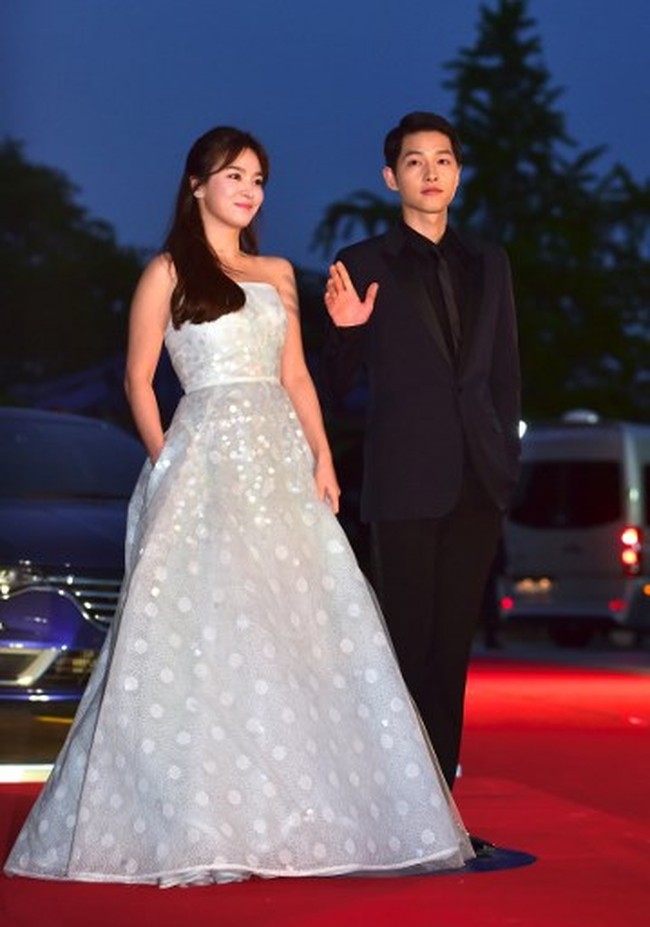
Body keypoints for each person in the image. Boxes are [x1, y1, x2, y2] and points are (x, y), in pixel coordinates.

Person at [4, 126, 473, 886]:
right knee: (207, 631)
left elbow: (295, 377)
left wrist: (321, 453)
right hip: (205, 454)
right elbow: (137, 376)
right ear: (197, 185)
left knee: (299, 622)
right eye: (233, 175)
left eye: (258, 177)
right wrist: (165, 460)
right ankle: (197, 815)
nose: (249, 189)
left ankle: (303, 813)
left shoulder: (277, 270)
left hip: (279, 458)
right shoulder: (166, 271)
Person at [321, 112, 521, 836]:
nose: (430, 172)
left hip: (477, 482)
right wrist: (344, 330)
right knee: (405, 646)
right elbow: (335, 383)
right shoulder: (363, 261)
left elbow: (504, 377)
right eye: (414, 161)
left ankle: (437, 807)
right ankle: (394, 805)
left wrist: (506, 464)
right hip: (404, 481)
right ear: (391, 177)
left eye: (442, 160)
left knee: (453, 651)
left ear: (457, 173)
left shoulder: (491, 262)